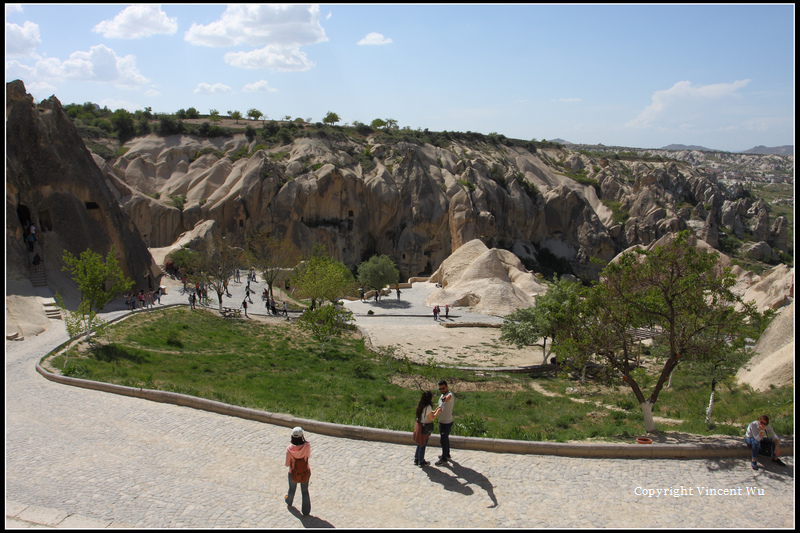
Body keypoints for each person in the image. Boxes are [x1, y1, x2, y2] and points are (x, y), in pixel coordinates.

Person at [285, 426, 311, 516]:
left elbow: (287, 464)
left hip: (293, 472)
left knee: (292, 489)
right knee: (304, 490)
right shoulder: (307, 446)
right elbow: (308, 456)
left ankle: (289, 501)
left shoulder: (289, 449)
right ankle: (306, 511)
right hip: (305, 471)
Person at [414, 391, 441, 467]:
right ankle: (421, 461)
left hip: (419, 426)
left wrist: (433, 411)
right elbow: (430, 418)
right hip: (424, 428)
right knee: (423, 444)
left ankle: (416, 458)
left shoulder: (421, 405)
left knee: (419, 443)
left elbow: (425, 414)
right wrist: (437, 413)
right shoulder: (428, 407)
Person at [435, 380, 455, 465]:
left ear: (447, 387)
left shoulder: (449, 395)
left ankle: (444, 458)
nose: (442, 390)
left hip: (446, 422)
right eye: (440, 389)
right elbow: (441, 405)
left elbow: (448, 398)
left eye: (443, 388)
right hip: (442, 421)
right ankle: (447, 454)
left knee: (443, 440)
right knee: (445, 439)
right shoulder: (442, 395)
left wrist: (446, 398)